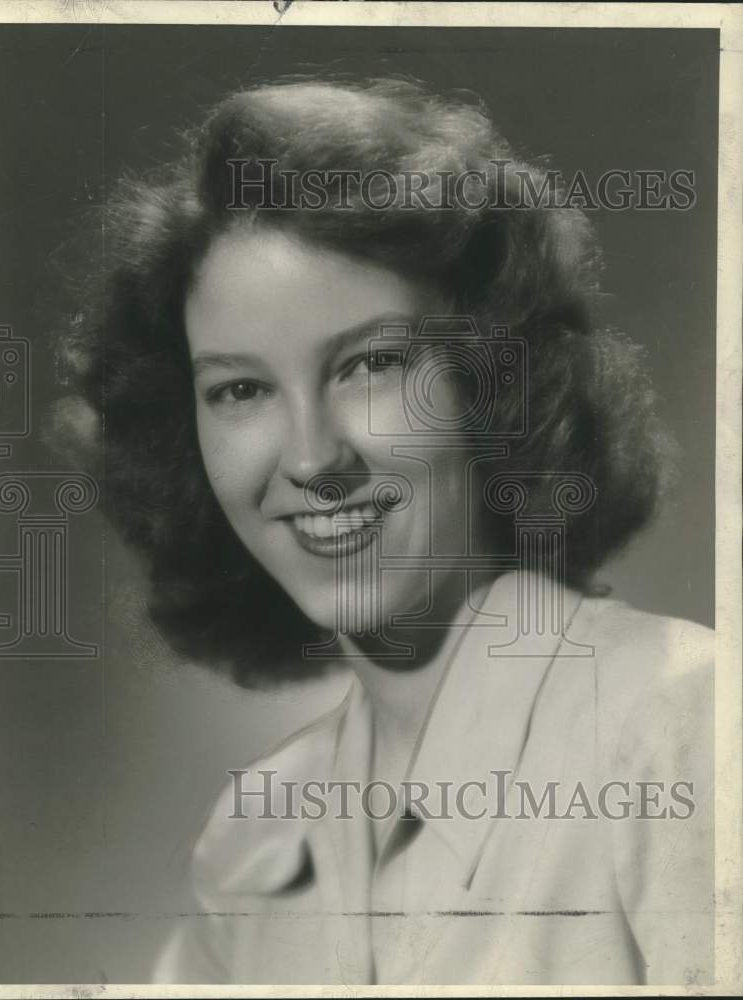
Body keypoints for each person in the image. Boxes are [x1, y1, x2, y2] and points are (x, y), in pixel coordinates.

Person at [60, 78, 714, 985]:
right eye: (240, 390)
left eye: (372, 364)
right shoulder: (257, 836)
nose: (311, 456)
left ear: (493, 383)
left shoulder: (687, 724)